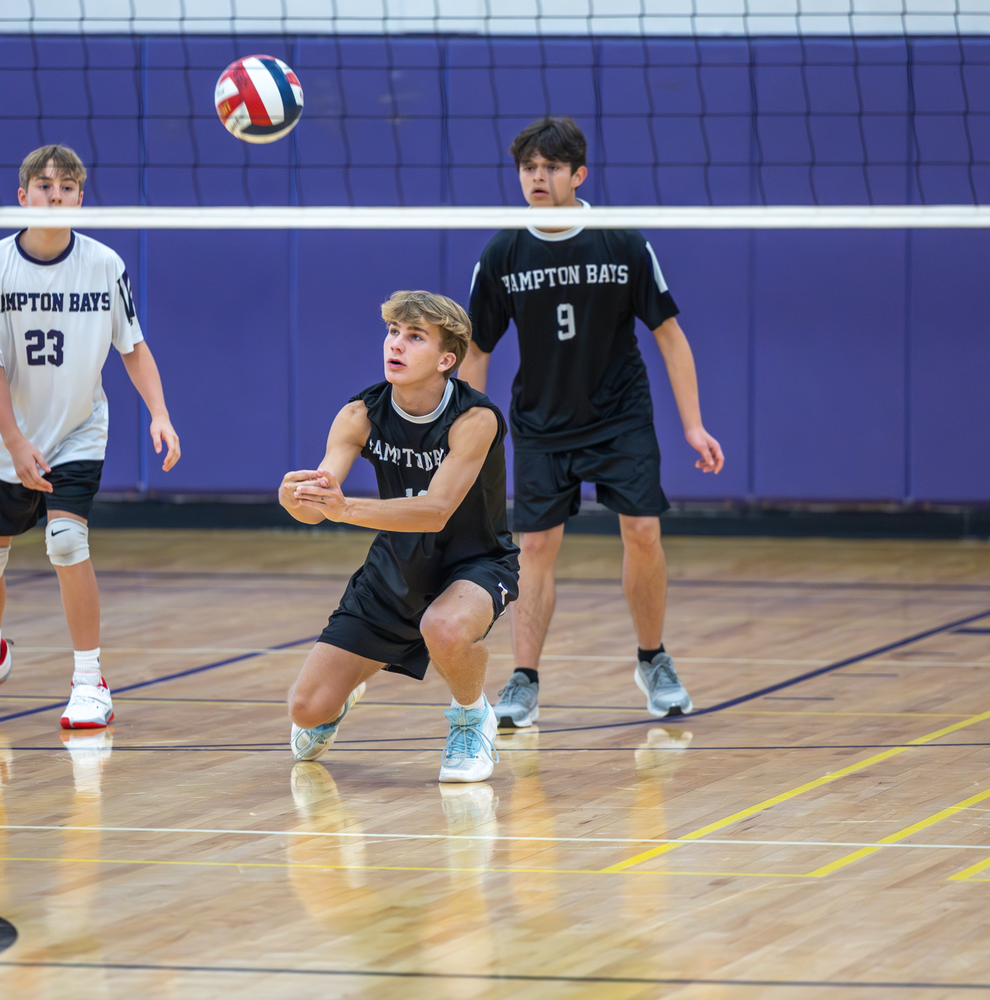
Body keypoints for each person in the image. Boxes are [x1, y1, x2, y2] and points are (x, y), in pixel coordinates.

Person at [460, 116, 725, 729]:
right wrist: (467, 430)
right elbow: (476, 350)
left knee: (642, 532)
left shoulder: (620, 241)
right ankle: (523, 680)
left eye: (551, 168)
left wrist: (693, 424)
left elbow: (670, 334)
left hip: (620, 415)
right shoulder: (503, 251)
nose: (537, 178)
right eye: (529, 168)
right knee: (536, 546)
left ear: (579, 175)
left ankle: (653, 659)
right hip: (542, 421)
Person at [0, 143, 181, 729]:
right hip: (7, 435)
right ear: (23, 196)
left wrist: (159, 413)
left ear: (80, 199)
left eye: (66, 188)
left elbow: (133, 348)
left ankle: (90, 680)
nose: (55, 195)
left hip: (78, 431)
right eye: (44, 186)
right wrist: (14, 442)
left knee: (66, 542)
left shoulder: (105, 265)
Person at [281, 291, 519, 783]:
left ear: (446, 359)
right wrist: (298, 501)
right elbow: (320, 503)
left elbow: (434, 511)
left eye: (415, 337)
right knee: (305, 709)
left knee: (445, 627)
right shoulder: (359, 414)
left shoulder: (477, 420)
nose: (397, 344)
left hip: (475, 564)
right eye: (393, 333)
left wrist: (344, 508)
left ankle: (472, 717)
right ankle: (346, 691)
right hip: (395, 567)